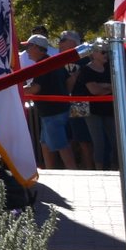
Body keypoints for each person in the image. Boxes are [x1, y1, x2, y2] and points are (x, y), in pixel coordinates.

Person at [32, 33, 79, 169]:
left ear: (36, 47)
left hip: (52, 112)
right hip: (53, 111)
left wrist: (15, 90)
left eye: (29, 47)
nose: (28, 51)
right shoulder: (53, 61)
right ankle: (51, 172)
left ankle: (75, 173)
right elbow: (69, 80)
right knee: (45, 143)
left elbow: (35, 88)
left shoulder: (43, 64)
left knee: (61, 145)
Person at [71, 40, 115, 169]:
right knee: (95, 141)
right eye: (103, 52)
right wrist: (107, 87)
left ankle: (113, 166)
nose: (106, 54)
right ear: (94, 53)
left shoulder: (110, 68)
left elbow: (115, 87)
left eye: (107, 52)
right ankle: (98, 169)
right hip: (88, 109)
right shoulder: (86, 69)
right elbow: (95, 91)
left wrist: (103, 87)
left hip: (107, 109)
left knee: (113, 140)